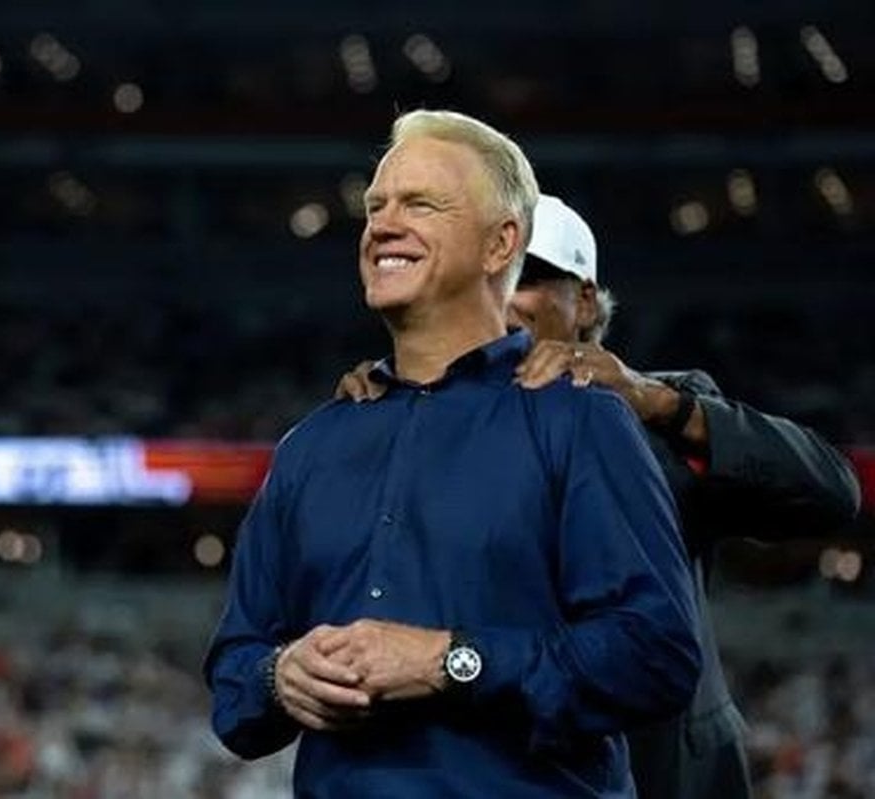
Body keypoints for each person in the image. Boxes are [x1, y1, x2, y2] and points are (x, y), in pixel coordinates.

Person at [204, 110, 702, 798]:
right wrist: (279, 675)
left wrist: (452, 660)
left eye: (420, 205)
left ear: (501, 244)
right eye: (376, 206)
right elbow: (235, 684)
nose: (383, 224)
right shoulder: (309, 447)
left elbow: (656, 655)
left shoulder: (582, 421)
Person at [334, 193, 863, 799]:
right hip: (493, 766)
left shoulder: (657, 417)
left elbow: (830, 493)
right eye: (481, 279)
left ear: (584, 301)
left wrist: (661, 404)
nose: (499, 297)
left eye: (525, 278)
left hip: (657, 770)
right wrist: (368, 431)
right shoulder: (413, 424)